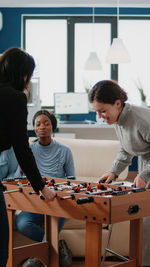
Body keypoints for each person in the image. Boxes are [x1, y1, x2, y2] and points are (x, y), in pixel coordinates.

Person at [0, 47, 56, 266]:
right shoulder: (15, 98)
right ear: (23, 74)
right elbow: (22, 148)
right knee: (1, 247)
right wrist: (41, 187)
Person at [88, 79, 150, 266]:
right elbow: (125, 149)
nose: (100, 116)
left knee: (147, 223)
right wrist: (113, 172)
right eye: (97, 112)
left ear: (117, 103)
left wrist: (145, 175)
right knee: (143, 221)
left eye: (103, 111)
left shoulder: (140, 119)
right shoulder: (118, 119)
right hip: (146, 165)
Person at [15, 109, 75, 243]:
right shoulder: (27, 151)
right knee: (23, 224)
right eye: (38, 124)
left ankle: (41, 259)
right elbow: (16, 179)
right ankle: (57, 246)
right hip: (35, 202)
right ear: (35, 129)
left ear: (53, 126)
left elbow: (72, 179)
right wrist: (20, 170)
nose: (42, 127)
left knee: (55, 221)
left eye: (46, 123)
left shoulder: (65, 150)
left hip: (58, 202)